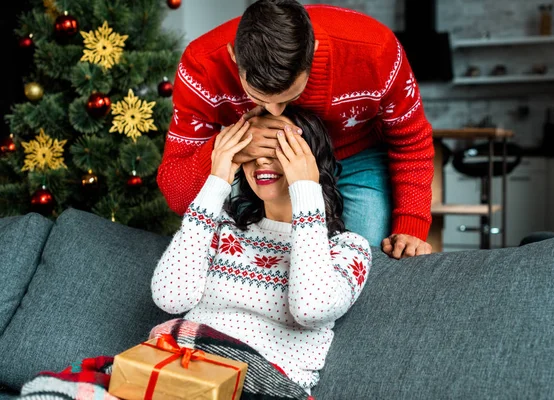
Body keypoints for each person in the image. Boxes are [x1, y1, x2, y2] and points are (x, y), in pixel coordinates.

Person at [157, 0, 435, 259]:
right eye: (260, 99)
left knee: (366, 260)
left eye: (288, 97)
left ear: (311, 53)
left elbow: (411, 140)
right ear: (233, 56)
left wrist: (411, 224)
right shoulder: (201, 64)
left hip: (355, 156)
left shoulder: (376, 50)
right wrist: (234, 144)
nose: (275, 111)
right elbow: (177, 195)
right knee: (246, 261)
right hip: (259, 164)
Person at [151, 106, 372, 393]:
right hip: (183, 371)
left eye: (279, 149)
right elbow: (170, 298)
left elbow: (312, 308)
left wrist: (306, 188)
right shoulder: (221, 229)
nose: (262, 161)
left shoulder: (348, 249)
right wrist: (216, 181)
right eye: (253, 151)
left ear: (310, 160)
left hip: (264, 387)